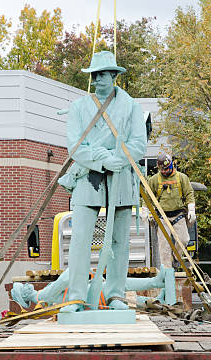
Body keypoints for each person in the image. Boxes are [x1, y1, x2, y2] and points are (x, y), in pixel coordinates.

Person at [57, 51, 147, 312]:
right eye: (94, 74)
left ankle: (116, 295)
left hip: (121, 176)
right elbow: (75, 145)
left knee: (120, 240)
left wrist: (117, 159)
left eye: (103, 74)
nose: (98, 79)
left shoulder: (131, 106)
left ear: (114, 76)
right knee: (80, 237)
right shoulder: (78, 107)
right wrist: (100, 159)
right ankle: (75, 297)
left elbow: (139, 144)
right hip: (88, 174)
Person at [10, 265, 177, 310]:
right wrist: (82, 269)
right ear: (25, 295)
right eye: (24, 287)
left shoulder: (43, 301)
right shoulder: (43, 296)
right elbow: (66, 279)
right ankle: (156, 283)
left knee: (126, 298)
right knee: (121, 285)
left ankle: (156, 300)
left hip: (92, 298)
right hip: (93, 294)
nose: (27, 285)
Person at [140, 152, 195, 270]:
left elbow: (189, 193)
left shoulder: (181, 178)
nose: (164, 172)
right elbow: (147, 197)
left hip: (178, 215)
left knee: (184, 239)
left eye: (166, 169)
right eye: (162, 170)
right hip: (162, 217)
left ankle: (176, 257)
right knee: (164, 246)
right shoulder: (154, 180)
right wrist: (145, 210)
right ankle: (167, 271)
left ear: (171, 165)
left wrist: (191, 208)